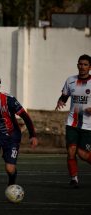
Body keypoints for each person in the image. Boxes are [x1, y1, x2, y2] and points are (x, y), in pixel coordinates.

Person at [55, 54, 91, 188]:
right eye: (80, 64)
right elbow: (65, 95)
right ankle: (74, 179)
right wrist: (60, 101)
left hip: (88, 125)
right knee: (71, 151)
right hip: (72, 123)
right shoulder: (70, 80)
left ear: (90, 67)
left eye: (85, 64)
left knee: (82, 154)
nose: (82, 67)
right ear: (77, 65)